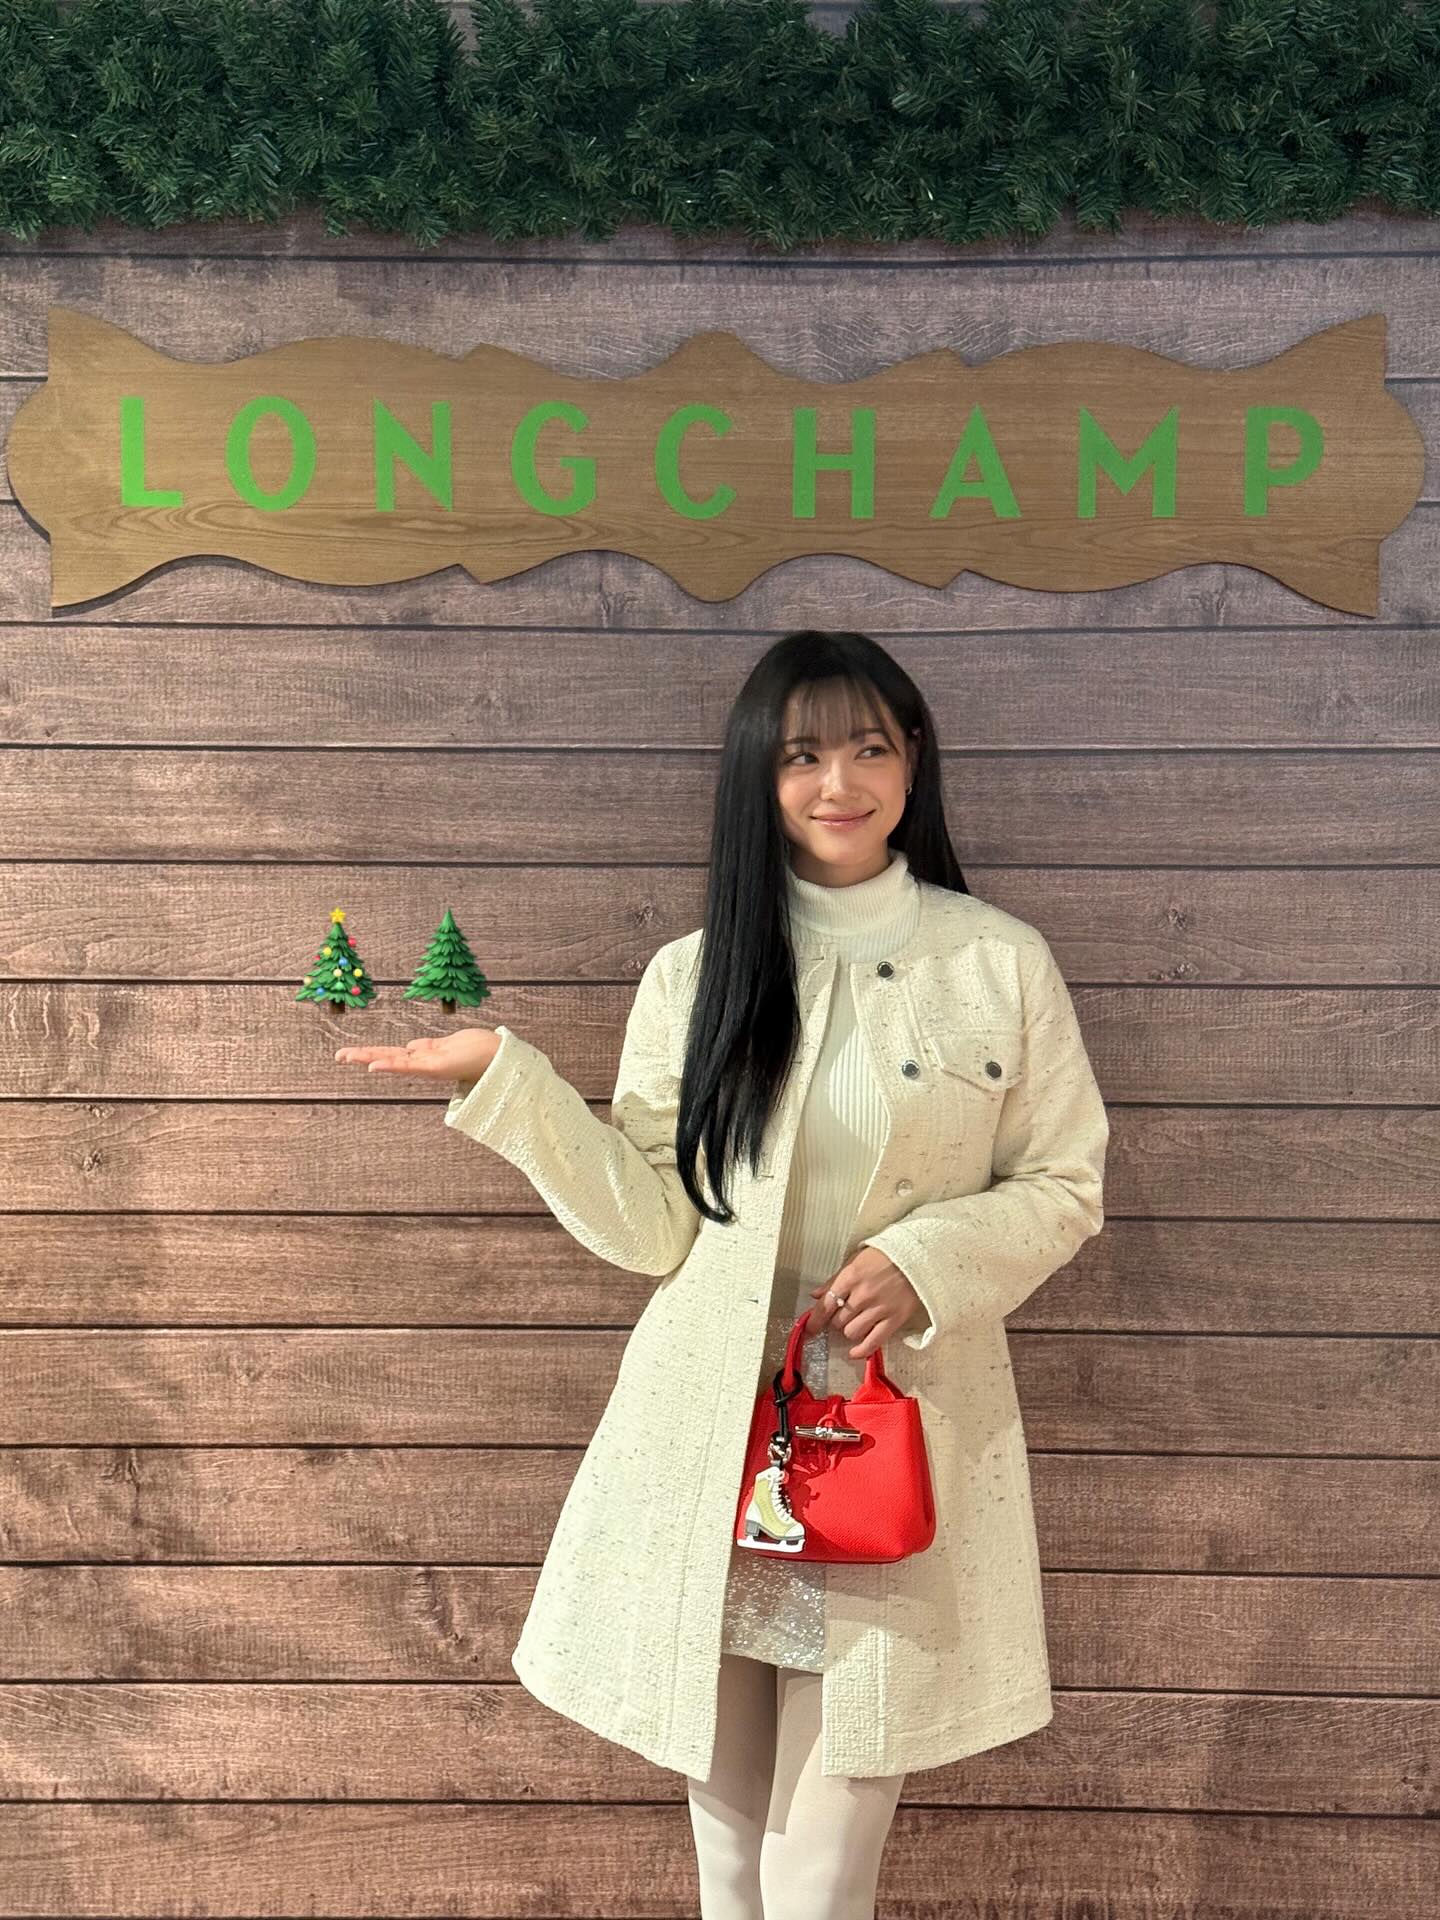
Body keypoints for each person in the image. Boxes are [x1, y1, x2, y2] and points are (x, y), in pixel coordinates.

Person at [335, 629, 1110, 1919]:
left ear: (913, 759)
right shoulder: (693, 977)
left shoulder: (998, 963)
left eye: (868, 748)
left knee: (824, 1870)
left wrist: (924, 1260)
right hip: (715, 1444)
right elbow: (654, 1228)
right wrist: (508, 1082)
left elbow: (1066, 1182)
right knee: (734, 1864)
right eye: (802, 756)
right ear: (761, 774)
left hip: (888, 1437)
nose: (838, 783)